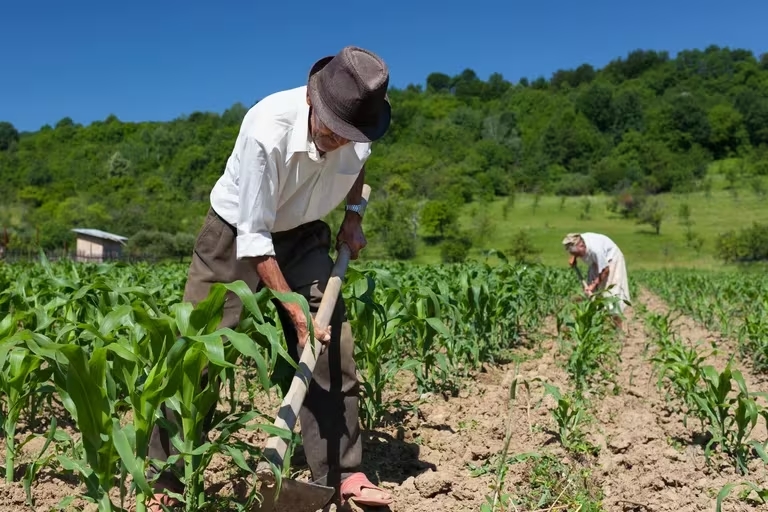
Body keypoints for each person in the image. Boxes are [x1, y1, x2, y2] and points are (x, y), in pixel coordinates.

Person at [144, 46, 394, 511]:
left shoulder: (360, 128)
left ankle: (343, 472)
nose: (340, 141)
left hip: (304, 234)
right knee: (198, 350)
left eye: (349, 134)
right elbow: (255, 239)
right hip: (236, 232)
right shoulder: (265, 129)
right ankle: (164, 481)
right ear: (313, 102)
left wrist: (354, 216)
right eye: (332, 130)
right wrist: (293, 311)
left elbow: (358, 169)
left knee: (331, 347)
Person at [562, 232, 630, 328]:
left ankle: (617, 328)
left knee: (611, 293)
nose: (580, 256)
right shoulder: (578, 240)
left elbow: (605, 270)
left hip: (612, 260)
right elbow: (574, 247)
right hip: (596, 261)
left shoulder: (596, 250)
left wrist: (593, 285)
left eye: (578, 254)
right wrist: (574, 257)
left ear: (582, 246)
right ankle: (598, 324)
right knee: (593, 294)